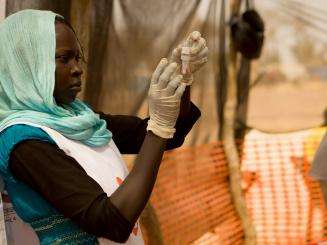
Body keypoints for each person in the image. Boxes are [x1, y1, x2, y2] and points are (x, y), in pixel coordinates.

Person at [0, 9, 208, 244]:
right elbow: (111, 222)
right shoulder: (24, 142)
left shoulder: (77, 118)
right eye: (64, 58)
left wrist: (180, 81)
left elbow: (164, 135)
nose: (77, 68)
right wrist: (160, 127)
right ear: (27, 65)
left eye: (78, 58)